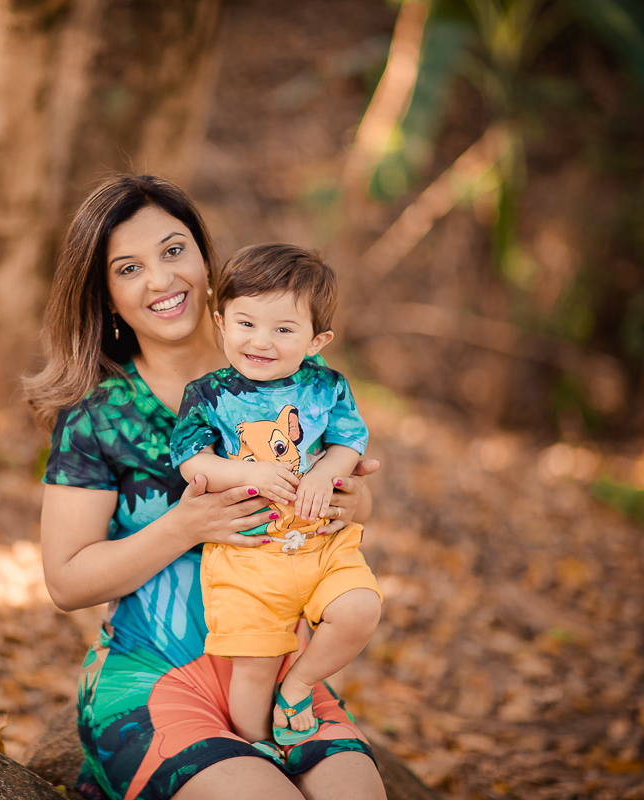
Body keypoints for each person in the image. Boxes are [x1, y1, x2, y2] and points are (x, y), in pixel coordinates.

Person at [25, 174, 385, 800]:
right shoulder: (99, 418)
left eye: (173, 251)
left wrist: (354, 501)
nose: (161, 280)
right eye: (129, 267)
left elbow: (346, 488)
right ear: (107, 296)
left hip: (277, 670)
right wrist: (185, 525)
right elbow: (65, 580)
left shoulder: (296, 372)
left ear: (204, 258)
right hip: (152, 677)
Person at [169, 243, 381, 748]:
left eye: (283, 330)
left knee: (360, 609)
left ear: (316, 339)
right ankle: (257, 747)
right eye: (245, 324)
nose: (260, 341)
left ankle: (301, 683)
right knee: (253, 669)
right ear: (220, 322)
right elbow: (191, 458)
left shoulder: (327, 386)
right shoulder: (208, 394)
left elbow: (350, 440)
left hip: (321, 542)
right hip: (249, 555)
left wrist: (322, 474)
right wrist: (247, 476)